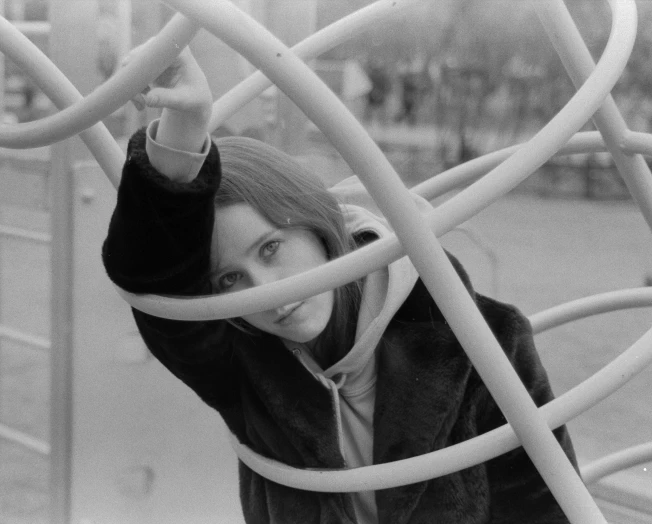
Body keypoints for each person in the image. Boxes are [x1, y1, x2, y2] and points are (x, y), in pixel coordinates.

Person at [102, 47, 578, 524]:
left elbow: (543, 504)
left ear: (316, 224)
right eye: (231, 278)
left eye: (271, 248)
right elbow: (154, 281)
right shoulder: (242, 363)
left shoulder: (480, 340)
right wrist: (182, 136)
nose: (269, 291)